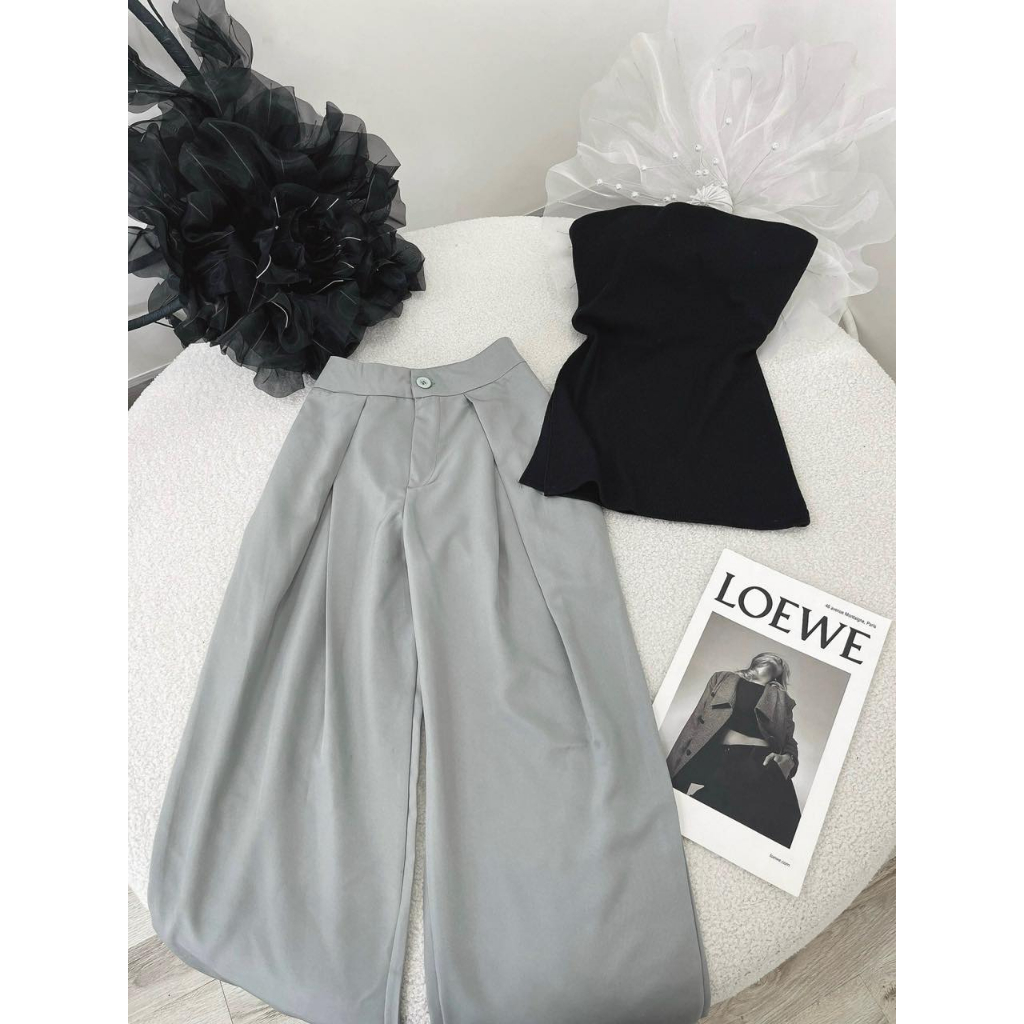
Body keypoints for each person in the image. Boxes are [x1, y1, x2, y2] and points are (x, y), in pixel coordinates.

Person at [666, 653, 802, 847]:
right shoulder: (722, 678)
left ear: (779, 674)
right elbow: (695, 723)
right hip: (724, 763)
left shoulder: (782, 698)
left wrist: (789, 759)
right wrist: (670, 778)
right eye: (772, 657)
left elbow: (789, 740)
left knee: (774, 837)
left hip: (764, 767)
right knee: (699, 828)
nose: (778, 659)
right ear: (756, 660)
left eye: (781, 661)